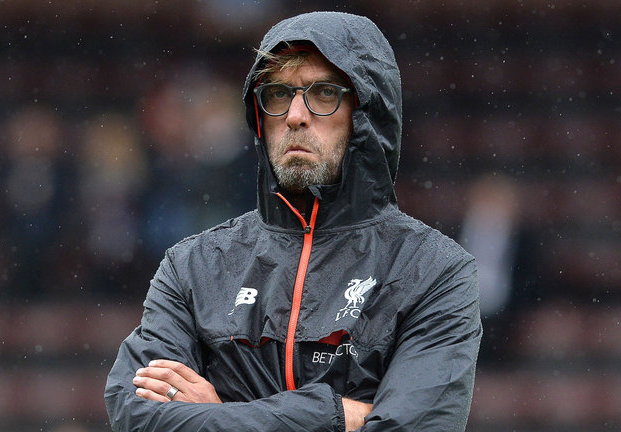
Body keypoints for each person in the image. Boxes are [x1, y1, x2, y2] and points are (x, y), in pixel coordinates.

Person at [105, 11, 481, 431]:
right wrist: (335, 415)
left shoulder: (435, 271)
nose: (296, 115)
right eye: (279, 94)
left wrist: (217, 413)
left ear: (366, 115)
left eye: (323, 93)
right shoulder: (191, 266)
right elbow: (134, 414)